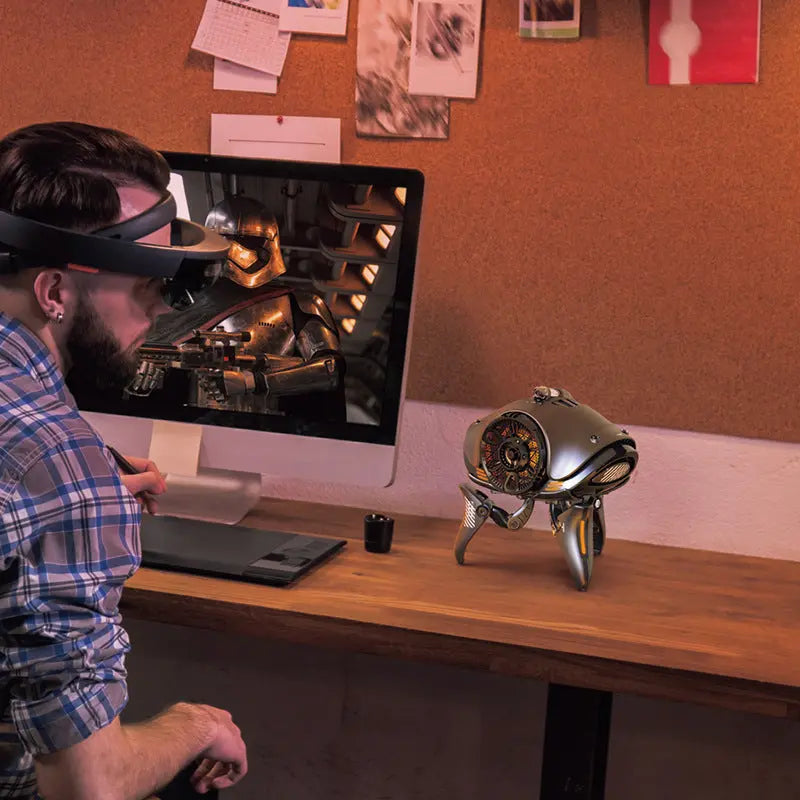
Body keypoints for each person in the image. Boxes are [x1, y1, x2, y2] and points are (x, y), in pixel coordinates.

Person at [0, 122, 247, 799]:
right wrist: (196, 725)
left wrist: (88, 475)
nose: (160, 306)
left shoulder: (50, 458)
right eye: (146, 282)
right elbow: (90, 786)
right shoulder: (58, 467)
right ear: (54, 292)